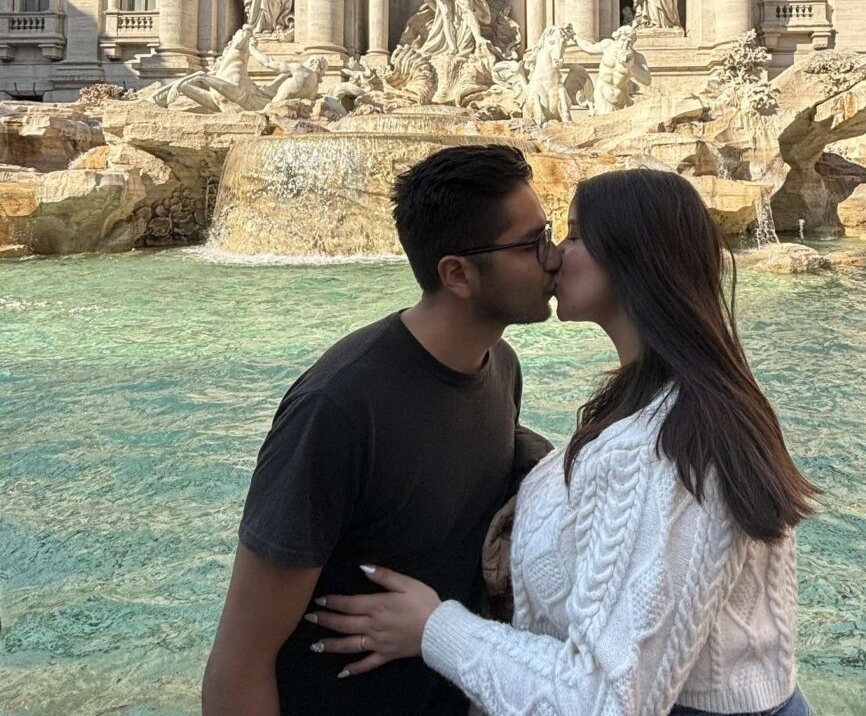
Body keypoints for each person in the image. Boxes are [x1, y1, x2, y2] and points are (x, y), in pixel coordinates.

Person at [308, 167, 819, 715]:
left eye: (572, 235)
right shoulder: (674, 401)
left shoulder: (669, 449)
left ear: (630, 258)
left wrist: (436, 629)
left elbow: (601, 702)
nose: (552, 256)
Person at [201, 144, 559, 715]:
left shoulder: (502, 368)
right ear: (458, 274)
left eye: (551, 233)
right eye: (530, 243)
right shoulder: (338, 409)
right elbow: (237, 665)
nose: (554, 256)